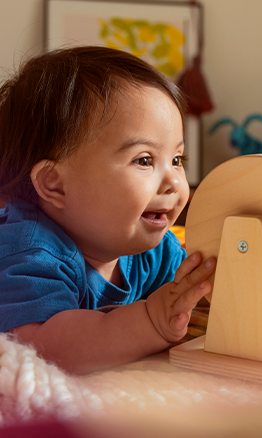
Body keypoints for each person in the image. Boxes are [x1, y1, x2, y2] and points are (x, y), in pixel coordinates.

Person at [0, 47, 216, 374]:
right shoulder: (30, 252)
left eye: (176, 159)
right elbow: (40, 350)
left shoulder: (152, 251)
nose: (174, 180)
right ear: (55, 185)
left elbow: (196, 291)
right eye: (144, 160)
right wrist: (151, 321)